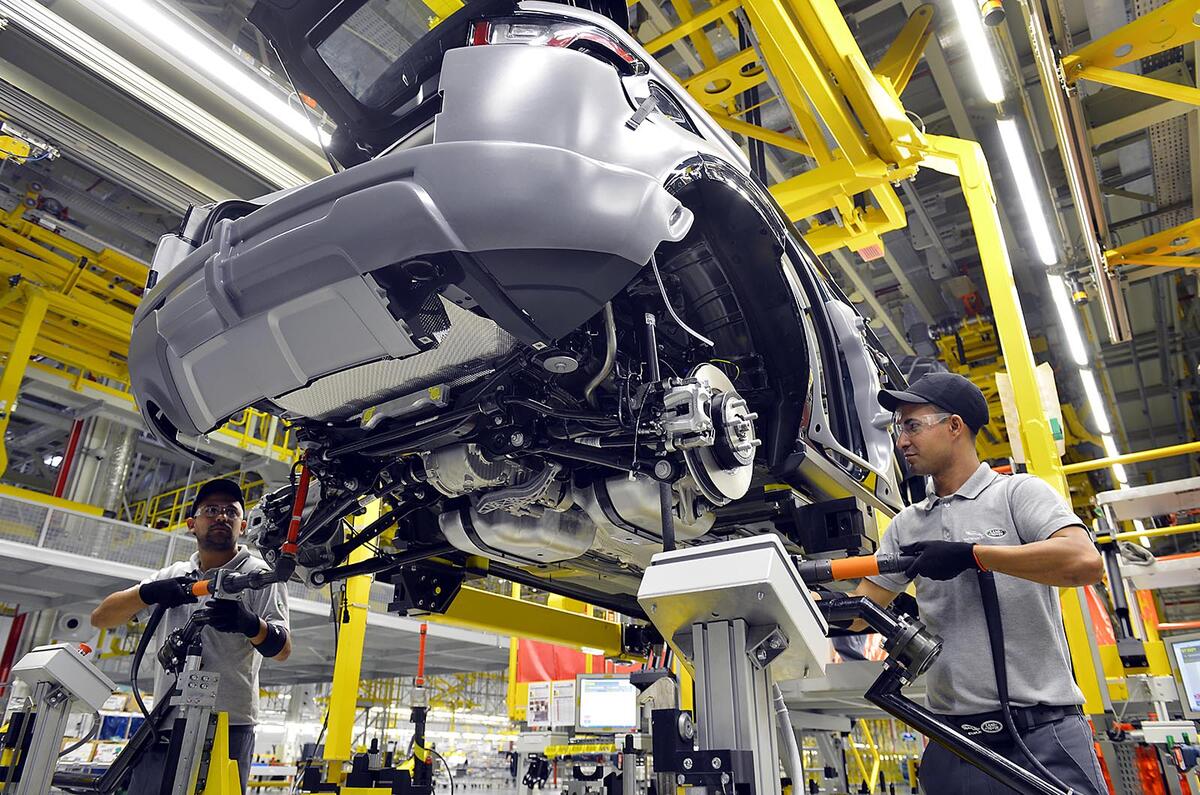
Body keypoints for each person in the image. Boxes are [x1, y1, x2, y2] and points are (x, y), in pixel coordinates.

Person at [851, 372, 1106, 793]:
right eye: (899, 429)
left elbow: (1083, 563)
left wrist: (973, 555)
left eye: (912, 426)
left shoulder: (1017, 494)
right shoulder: (906, 525)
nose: (901, 442)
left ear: (954, 427)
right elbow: (862, 613)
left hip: (1044, 734)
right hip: (954, 741)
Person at [91, 478, 291, 794]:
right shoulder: (172, 575)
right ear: (191, 524)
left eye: (231, 511)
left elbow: (282, 649)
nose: (222, 517)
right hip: (165, 723)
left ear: (242, 526)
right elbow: (102, 618)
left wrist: (250, 625)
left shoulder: (258, 576)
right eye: (211, 510)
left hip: (228, 726)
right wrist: (148, 592)